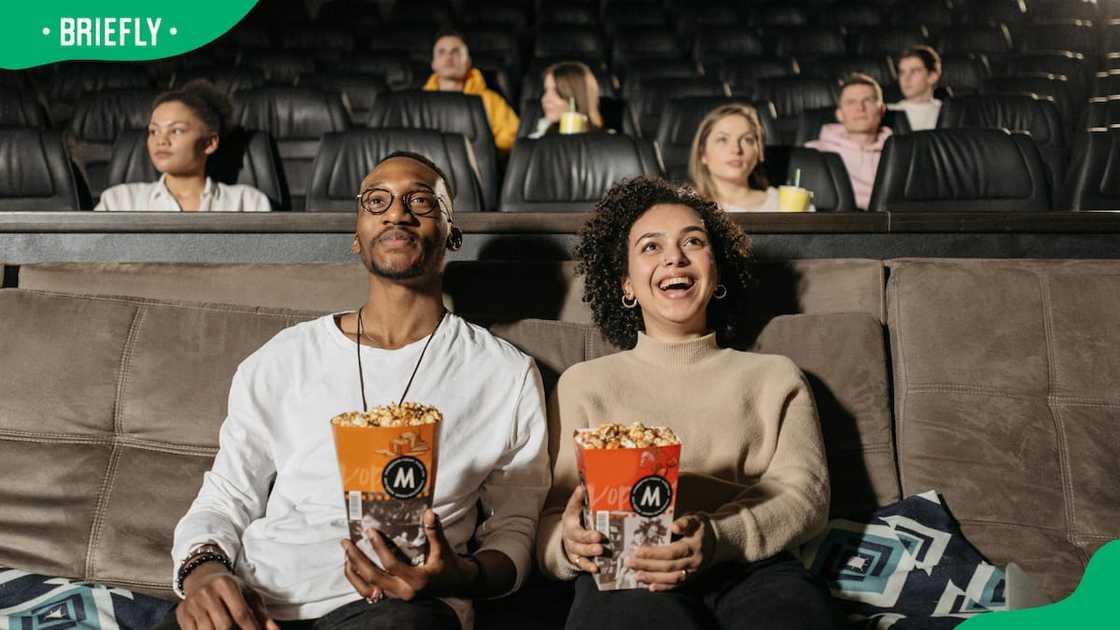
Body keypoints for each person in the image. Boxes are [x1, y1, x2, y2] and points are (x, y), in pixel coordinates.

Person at [160, 152, 550, 630]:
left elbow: (515, 531)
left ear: (452, 233)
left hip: (401, 609)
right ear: (356, 236)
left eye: (421, 200)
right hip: (260, 599)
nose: (396, 212)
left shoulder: (504, 374)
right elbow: (227, 495)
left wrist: (457, 576)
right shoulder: (284, 357)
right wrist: (204, 571)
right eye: (377, 200)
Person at [537, 177, 836, 630]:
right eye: (651, 247)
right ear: (626, 284)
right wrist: (567, 545)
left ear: (716, 272)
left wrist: (716, 539)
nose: (674, 257)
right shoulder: (583, 384)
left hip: (750, 566)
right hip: (627, 566)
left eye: (692, 242)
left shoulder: (774, 376)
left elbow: (805, 498)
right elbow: (552, 517)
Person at [95, 79, 271, 212]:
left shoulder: (248, 203)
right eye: (153, 131)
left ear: (209, 143)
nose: (161, 140)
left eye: (176, 130)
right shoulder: (119, 202)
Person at [805, 73, 892, 210]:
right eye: (851, 102)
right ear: (839, 114)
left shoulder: (901, 154)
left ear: (881, 110)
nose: (860, 108)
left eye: (868, 100)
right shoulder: (813, 153)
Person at [423, 31, 519, 153]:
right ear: (433, 63)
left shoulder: (490, 100)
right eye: (442, 52)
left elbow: (512, 136)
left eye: (455, 52)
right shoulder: (418, 103)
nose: (448, 57)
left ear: (467, 61)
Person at [687, 104, 788, 212]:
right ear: (702, 153)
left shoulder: (784, 203)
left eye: (747, 140)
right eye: (723, 139)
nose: (736, 149)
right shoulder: (687, 208)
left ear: (758, 152)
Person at [528, 61, 603, 139]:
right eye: (546, 91)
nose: (545, 99)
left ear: (577, 96)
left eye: (557, 92)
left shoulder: (608, 143)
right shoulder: (535, 142)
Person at [888, 45, 943, 131]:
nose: (906, 79)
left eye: (914, 71)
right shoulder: (889, 113)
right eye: (902, 72)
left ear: (932, 76)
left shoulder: (947, 113)